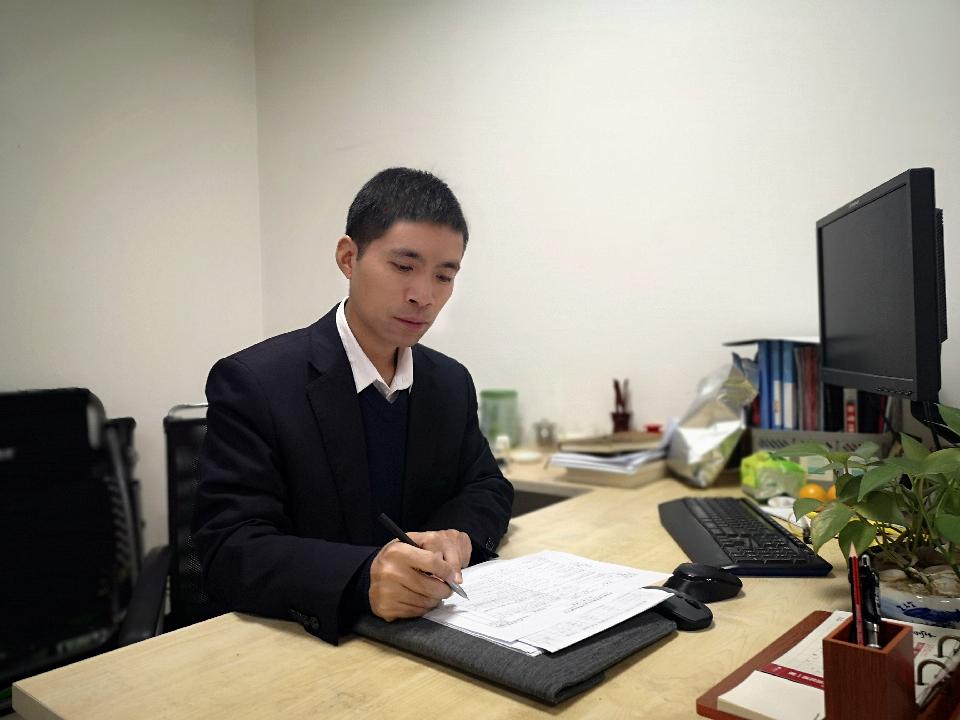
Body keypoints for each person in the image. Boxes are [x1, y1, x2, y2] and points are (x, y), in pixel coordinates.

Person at [192, 167, 514, 645]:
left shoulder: (449, 382)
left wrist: (460, 535)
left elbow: (487, 485)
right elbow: (229, 548)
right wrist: (362, 579)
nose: (423, 296)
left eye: (444, 276)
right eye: (403, 267)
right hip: (302, 644)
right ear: (348, 257)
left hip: (435, 640)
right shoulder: (256, 382)